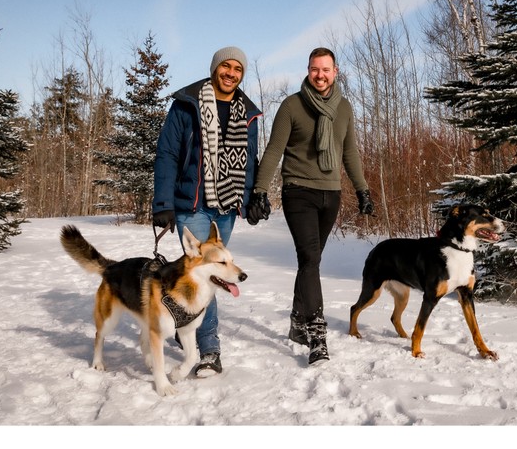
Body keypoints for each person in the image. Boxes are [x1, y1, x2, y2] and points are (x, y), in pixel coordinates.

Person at [246, 47, 374, 365]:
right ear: (308, 70)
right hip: (298, 191)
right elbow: (274, 150)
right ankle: (317, 334)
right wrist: (260, 190)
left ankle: (295, 320)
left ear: (336, 71)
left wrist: (363, 190)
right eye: (315, 69)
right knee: (309, 259)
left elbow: (350, 153)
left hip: (330, 194)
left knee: (311, 261)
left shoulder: (344, 108)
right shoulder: (292, 105)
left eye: (326, 69)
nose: (320, 75)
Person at [152, 46, 262, 377]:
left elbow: (251, 159)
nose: (230, 73)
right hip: (192, 202)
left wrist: (253, 196)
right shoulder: (187, 105)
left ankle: (182, 322)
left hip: (227, 206)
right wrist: (163, 202)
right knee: (208, 273)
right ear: (215, 68)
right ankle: (210, 349)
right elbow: (168, 153)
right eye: (225, 66)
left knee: (205, 275)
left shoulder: (248, 112)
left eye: (237, 69)